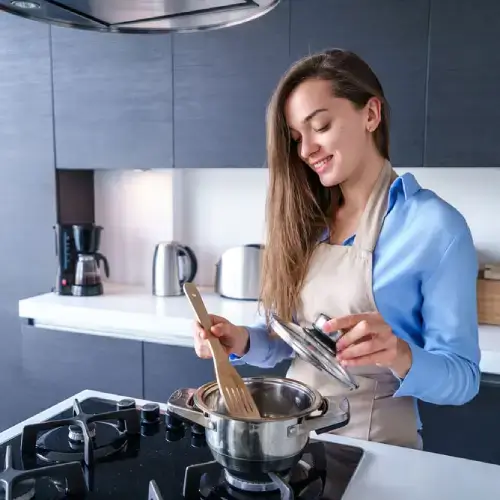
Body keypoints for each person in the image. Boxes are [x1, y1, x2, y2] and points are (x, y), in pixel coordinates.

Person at [192, 48, 481, 450]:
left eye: (321, 126)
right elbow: (293, 341)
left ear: (371, 115)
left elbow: (463, 379)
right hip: (290, 438)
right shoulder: (306, 221)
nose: (306, 149)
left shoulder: (435, 227)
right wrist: (240, 340)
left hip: (378, 448)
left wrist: (399, 353)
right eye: (296, 138)